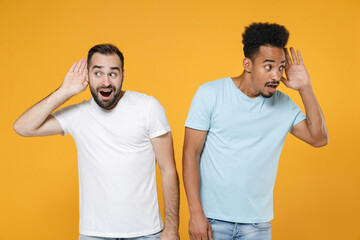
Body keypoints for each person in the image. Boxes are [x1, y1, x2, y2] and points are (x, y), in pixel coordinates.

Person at [14, 44, 179, 240]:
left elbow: (168, 169)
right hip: (94, 235)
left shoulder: (148, 107)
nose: (106, 82)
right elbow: (23, 127)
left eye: (113, 74)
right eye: (98, 73)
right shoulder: (78, 115)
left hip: (146, 233)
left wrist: (171, 228)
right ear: (88, 76)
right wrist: (65, 91)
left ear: (123, 75)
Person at [183, 22, 328, 240]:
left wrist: (305, 88)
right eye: (268, 67)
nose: (277, 76)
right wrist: (195, 213)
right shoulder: (210, 93)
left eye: (280, 67)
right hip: (212, 221)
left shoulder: (284, 105)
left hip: (257, 225)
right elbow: (190, 154)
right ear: (248, 64)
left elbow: (319, 138)